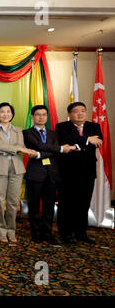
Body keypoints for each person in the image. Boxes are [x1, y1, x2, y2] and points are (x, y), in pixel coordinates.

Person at [23, 105, 75, 245]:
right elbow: (39, 146)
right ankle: (36, 233)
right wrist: (58, 149)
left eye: (44, 114)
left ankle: (48, 233)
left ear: (47, 116)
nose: (41, 117)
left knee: (49, 206)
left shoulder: (53, 133)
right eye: (38, 115)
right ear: (33, 117)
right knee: (34, 206)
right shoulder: (27, 133)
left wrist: (39, 154)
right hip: (35, 174)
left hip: (52, 174)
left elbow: (51, 151)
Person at [0, 102, 37, 243]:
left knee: (12, 202)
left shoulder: (18, 130)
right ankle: (1, 230)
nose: (5, 114)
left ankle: (11, 230)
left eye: (8, 111)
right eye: (2, 111)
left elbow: (19, 145)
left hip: (16, 168)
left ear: (12, 114)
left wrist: (17, 148)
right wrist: (19, 149)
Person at [56, 102, 103, 245]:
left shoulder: (94, 126)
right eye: (76, 111)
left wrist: (78, 143)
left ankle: (81, 233)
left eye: (83, 110)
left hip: (87, 172)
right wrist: (88, 140)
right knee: (66, 204)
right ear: (70, 114)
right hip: (67, 172)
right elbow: (65, 140)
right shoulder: (62, 126)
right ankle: (65, 234)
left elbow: (98, 141)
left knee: (83, 204)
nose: (80, 113)